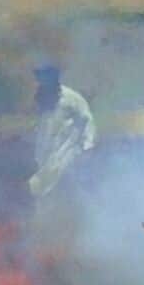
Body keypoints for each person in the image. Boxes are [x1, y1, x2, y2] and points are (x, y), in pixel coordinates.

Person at [27, 65, 96, 199]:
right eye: (41, 77)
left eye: (47, 76)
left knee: (66, 191)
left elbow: (87, 120)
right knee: (42, 192)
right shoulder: (40, 98)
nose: (43, 80)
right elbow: (40, 126)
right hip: (45, 153)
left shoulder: (72, 98)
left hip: (66, 152)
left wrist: (87, 146)